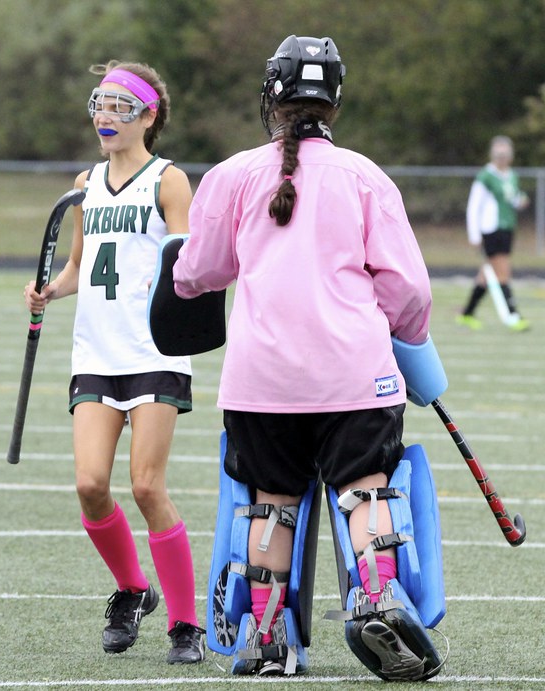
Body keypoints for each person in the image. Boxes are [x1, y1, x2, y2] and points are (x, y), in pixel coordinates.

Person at [173, 36, 444, 680]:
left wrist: (184, 267)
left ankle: (267, 638)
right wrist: (396, 330)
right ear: (335, 100)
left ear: (272, 95)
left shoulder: (234, 175)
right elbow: (410, 288)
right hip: (355, 373)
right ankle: (376, 597)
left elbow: (197, 273)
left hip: (261, 381)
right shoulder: (365, 176)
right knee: (363, 490)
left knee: (271, 502)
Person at [23, 60, 205, 664]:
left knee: (147, 486)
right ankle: (131, 589)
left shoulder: (169, 181)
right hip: (95, 351)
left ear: (148, 116)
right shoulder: (86, 183)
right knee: (90, 484)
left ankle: (185, 624)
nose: (105, 115)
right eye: (99, 103)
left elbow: (190, 260)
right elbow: (80, 264)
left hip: (154, 349)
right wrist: (50, 289)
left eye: (120, 105)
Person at [458, 135, 530, 331]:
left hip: (507, 228)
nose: (502, 158)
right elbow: (474, 207)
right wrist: (474, 235)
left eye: (505, 154)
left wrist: (520, 200)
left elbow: (512, 198)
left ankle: (467, 314)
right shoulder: (486, 177)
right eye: (498, 154)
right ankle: (513, 316)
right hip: (491, 230)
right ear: (493, 155)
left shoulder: (511, 175)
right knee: (502, 272)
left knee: (486, 274)